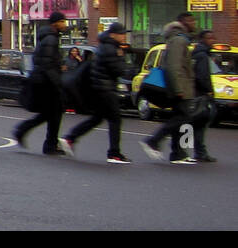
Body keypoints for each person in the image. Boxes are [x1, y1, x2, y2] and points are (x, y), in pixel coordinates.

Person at [61, 21, 133, 163]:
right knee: (115, 119)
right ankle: (114, 153)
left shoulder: (104, 46)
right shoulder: (112, 49)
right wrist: (121, 55)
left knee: (97, 118)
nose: (124, 37)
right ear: (113, 35)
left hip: (100, 88)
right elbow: (117, 70)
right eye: (122, 34)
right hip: (106, 88)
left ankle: (70, 138)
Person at [143, 13, 200, 164]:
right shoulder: (179, 40)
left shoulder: (181, 40)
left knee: (181, 120)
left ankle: (178, 154)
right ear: (183, 23)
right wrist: (178, 89)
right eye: (191, 20)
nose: (194, 23)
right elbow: (173, 67)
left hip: (182, 86)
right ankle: (153, 141)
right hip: (181, 87)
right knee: (183, 118)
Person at [14, 11, 68, 155]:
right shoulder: (51, 39)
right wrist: (58, 82)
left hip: (45, 81)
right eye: (62, 21)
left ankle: (46, 142)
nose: (65, 24)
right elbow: (47, 64)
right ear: (55, 23)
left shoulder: (50, 37)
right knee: (53, 114)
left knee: (50, 114)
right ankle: (48, 144)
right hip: (47, 83)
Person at [190, 30, 218, 163]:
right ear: (202, 39)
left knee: (197, 123)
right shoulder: (202, 56)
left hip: (196, 93)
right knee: (201, 122)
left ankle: (198, 151)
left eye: (213, 38)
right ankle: (200, 152)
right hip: (201, 95)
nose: (212, 40)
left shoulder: (199, 53)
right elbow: (202, 76)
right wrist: (208, 91)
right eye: (209, 38)